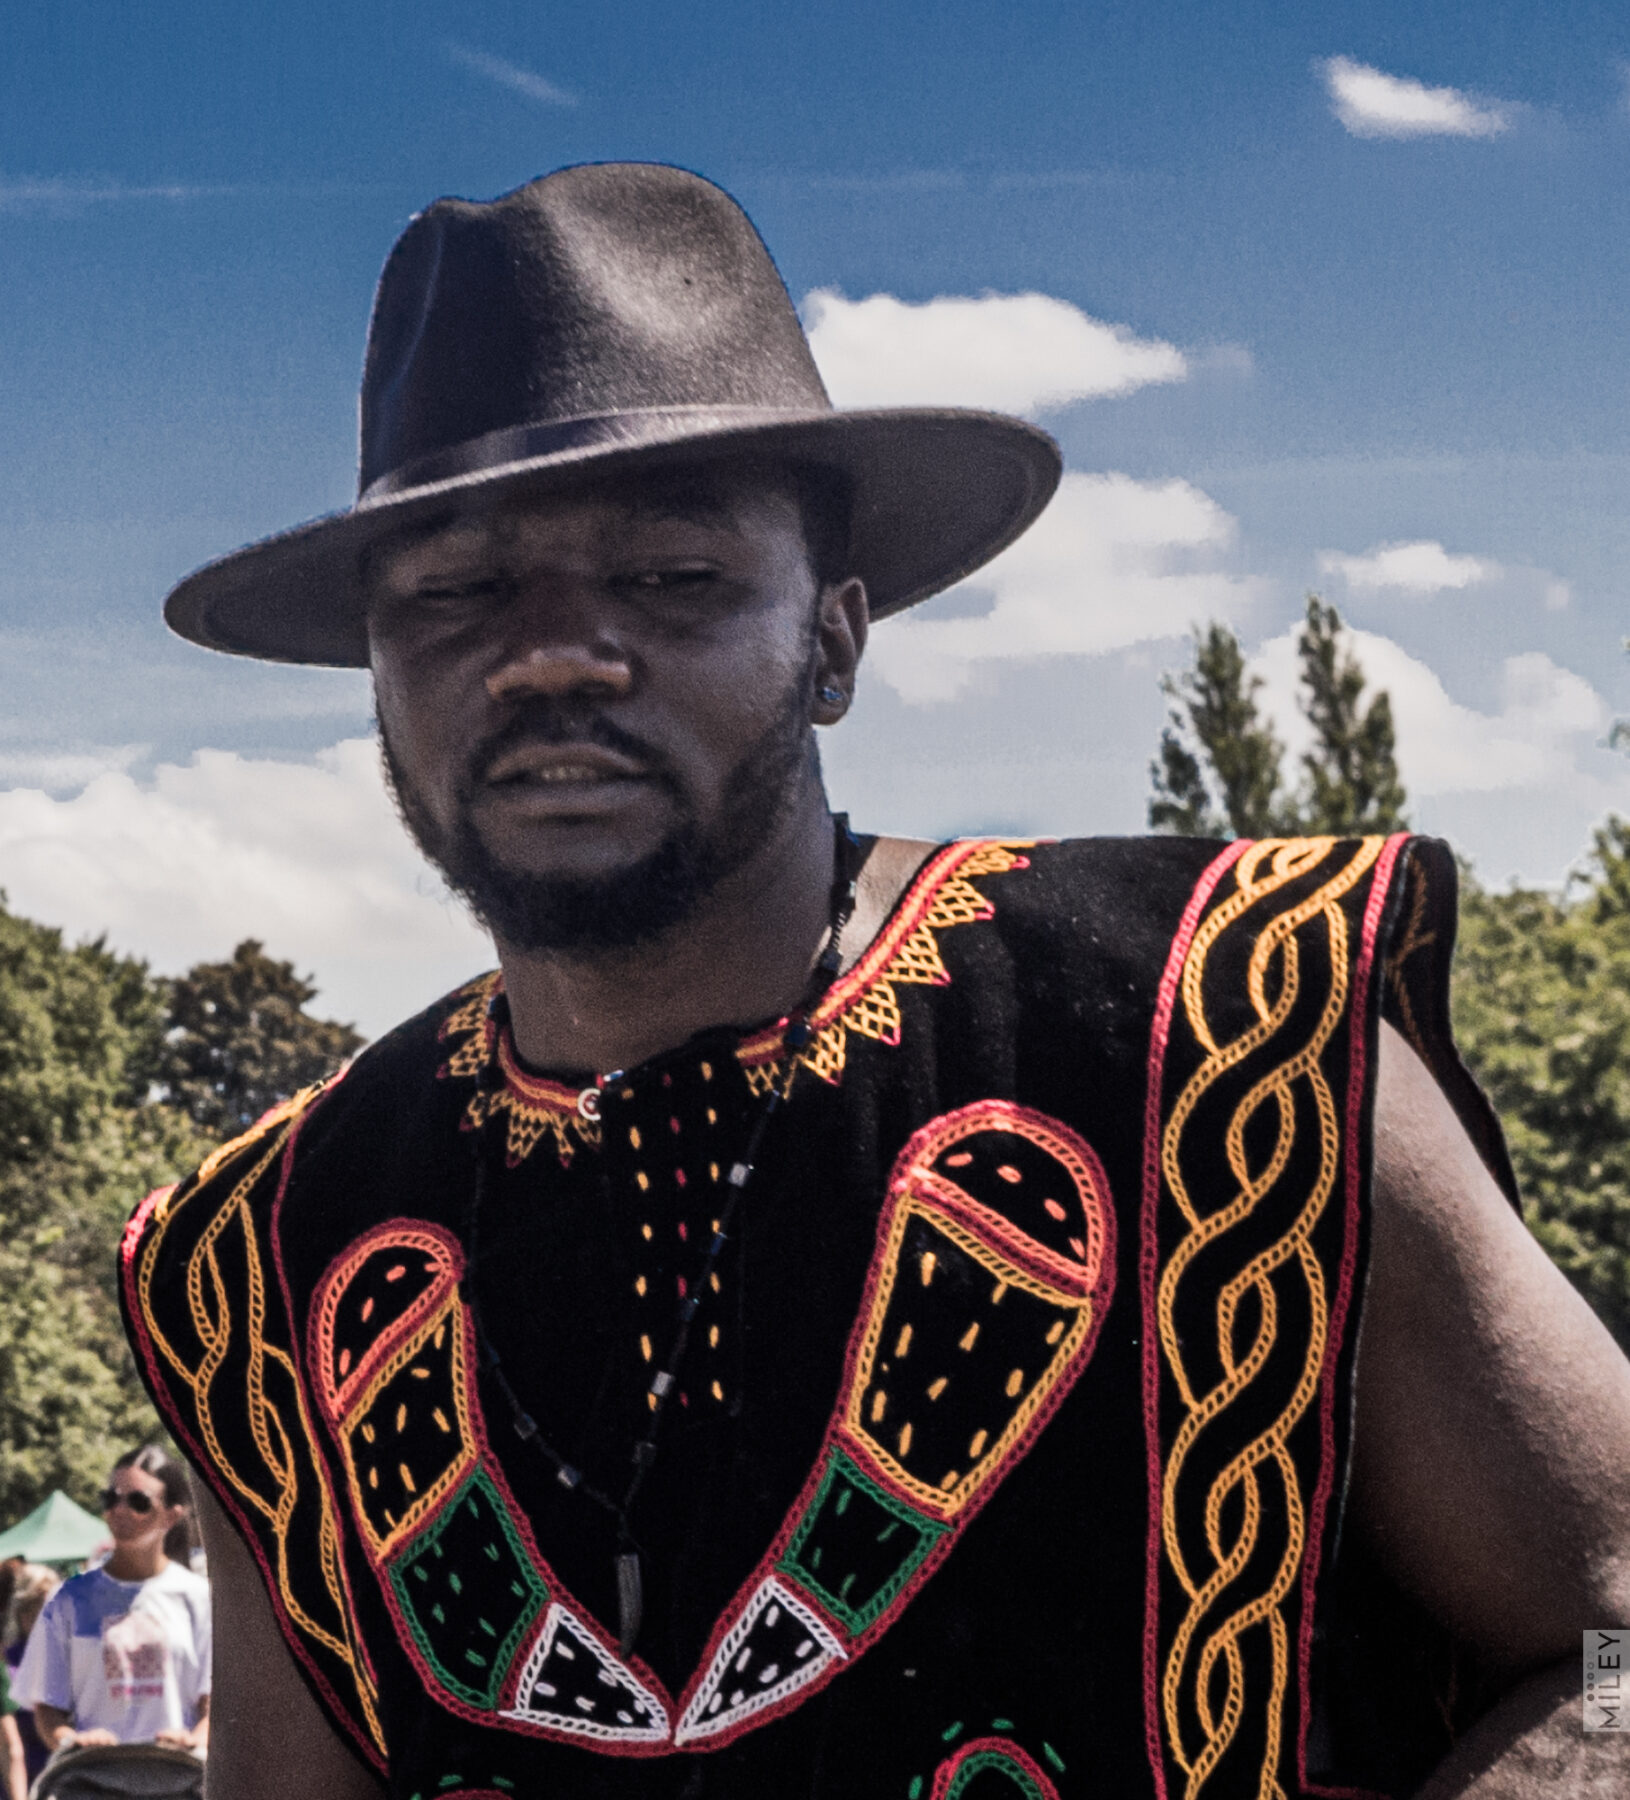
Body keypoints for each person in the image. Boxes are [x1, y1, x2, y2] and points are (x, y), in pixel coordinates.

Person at [119, 163, 1630, 1799]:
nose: (552, 651)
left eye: (672, 577)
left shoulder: (1220, 1031)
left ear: (833, 643)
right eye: (458, 591)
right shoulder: (257, 1263)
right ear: (382, 675)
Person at [13, 1449, 210, 1760]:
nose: (119, 1510)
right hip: (93, 1781)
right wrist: (74, 1740)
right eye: (110, 1498)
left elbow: (214, 1707)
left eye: (138, 1502)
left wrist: (191, 1741)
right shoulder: (69, 1598)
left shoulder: (199, 1597)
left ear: (172, 1515)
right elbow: (47, 1708)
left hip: (178, 1780)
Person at [5, 1562, 60, 1789]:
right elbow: (9, 1746)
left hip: (67, 1781)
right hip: (19, 1785)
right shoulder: (7, 1663)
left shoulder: (69, 1662)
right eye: (38, 1604)